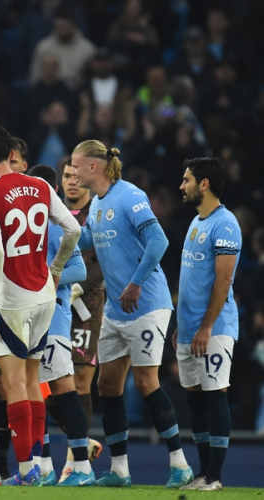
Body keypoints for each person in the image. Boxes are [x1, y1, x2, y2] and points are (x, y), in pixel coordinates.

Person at [71, 140, 194, 488]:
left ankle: (180, 464)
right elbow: (84, 242)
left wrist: (136, 282)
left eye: (77, 166)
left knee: (144, 382)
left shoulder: (130, 195)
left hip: (147, 304)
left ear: (94, 167)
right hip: (116, 310)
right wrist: (53, 226)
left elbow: (159, 241)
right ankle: (120, 471)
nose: (74, 173)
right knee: (107, 384)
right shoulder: (96, 205)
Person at [0, 123, 81, 486]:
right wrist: (56, 269)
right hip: (44, 297)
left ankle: (25, 471)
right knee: (34, 381)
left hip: (12, 300)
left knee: (13, 383)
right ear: (13, 155)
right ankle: (38, 465)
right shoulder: (40, 186)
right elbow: (74, 230)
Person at [175, 157, 241, 491]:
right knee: (195, 400)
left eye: (186, 179)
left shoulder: (225, 224)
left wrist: (206, 327)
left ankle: (215, 477)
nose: (181, 185)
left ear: (204, 184)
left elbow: (223, 279)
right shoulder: (197, 222)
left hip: (214, 328)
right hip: (188, 328)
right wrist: (182, 325)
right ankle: (202, 474)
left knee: (216, 396)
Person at [26, 164, 94, 486]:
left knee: (65, 391)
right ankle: (43, 467)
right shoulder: (30, 225)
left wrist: (45, 282)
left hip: (53, 320)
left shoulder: (56, 225)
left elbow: (79, 270)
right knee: (36, 393)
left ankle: (82, 467)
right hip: (30, 320)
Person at [55, 156, 106, 480]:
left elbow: (102, 261)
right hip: (55, 306)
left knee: (81, 380)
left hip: (88, 306)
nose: (72, 181)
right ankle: (81, 443)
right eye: (66, 175)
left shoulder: (98, 213)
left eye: (76, 175)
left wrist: (77, 287)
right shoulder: (53, 211)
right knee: (50, 382)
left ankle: (74, 463)